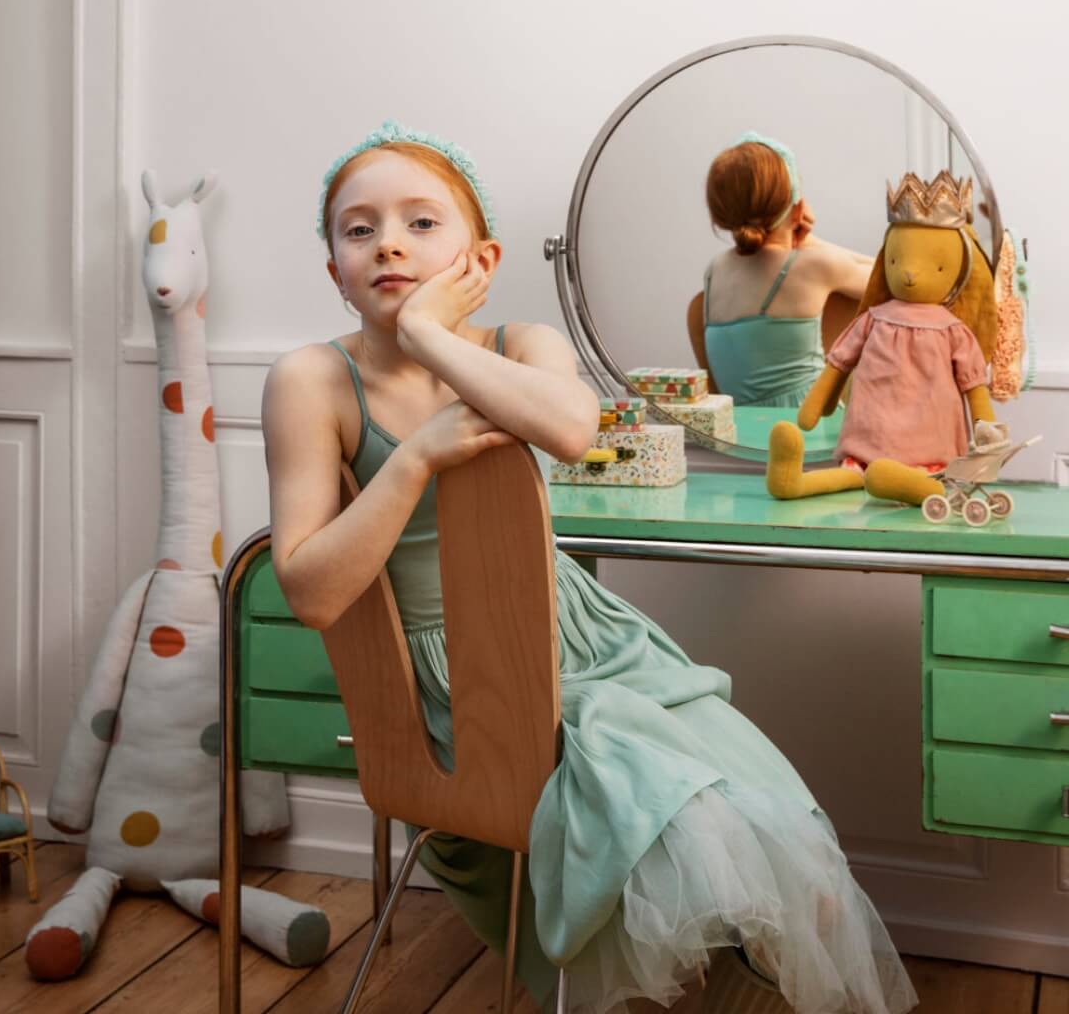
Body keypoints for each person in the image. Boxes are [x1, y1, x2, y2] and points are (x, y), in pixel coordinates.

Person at [262, 120, 918, 1014]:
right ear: (334, 269)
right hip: (457, 686)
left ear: (480, 259)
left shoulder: (522, 344)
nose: (388, 244)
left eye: (421, 223)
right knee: (665, 802)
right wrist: (413, 458)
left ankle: (739, 964)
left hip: (582, 635)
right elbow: (310, 590)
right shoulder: (311, 379)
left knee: (762, 815)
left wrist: (424, 331)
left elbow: (571, 430)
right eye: (358, 229)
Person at [687, 132, 875, 408]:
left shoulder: (714, 270)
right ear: (796, 206)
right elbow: (891, 275)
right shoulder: (813, 266)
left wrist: (796, 233)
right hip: (809, 424)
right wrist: (810, 240)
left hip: (743, 428)